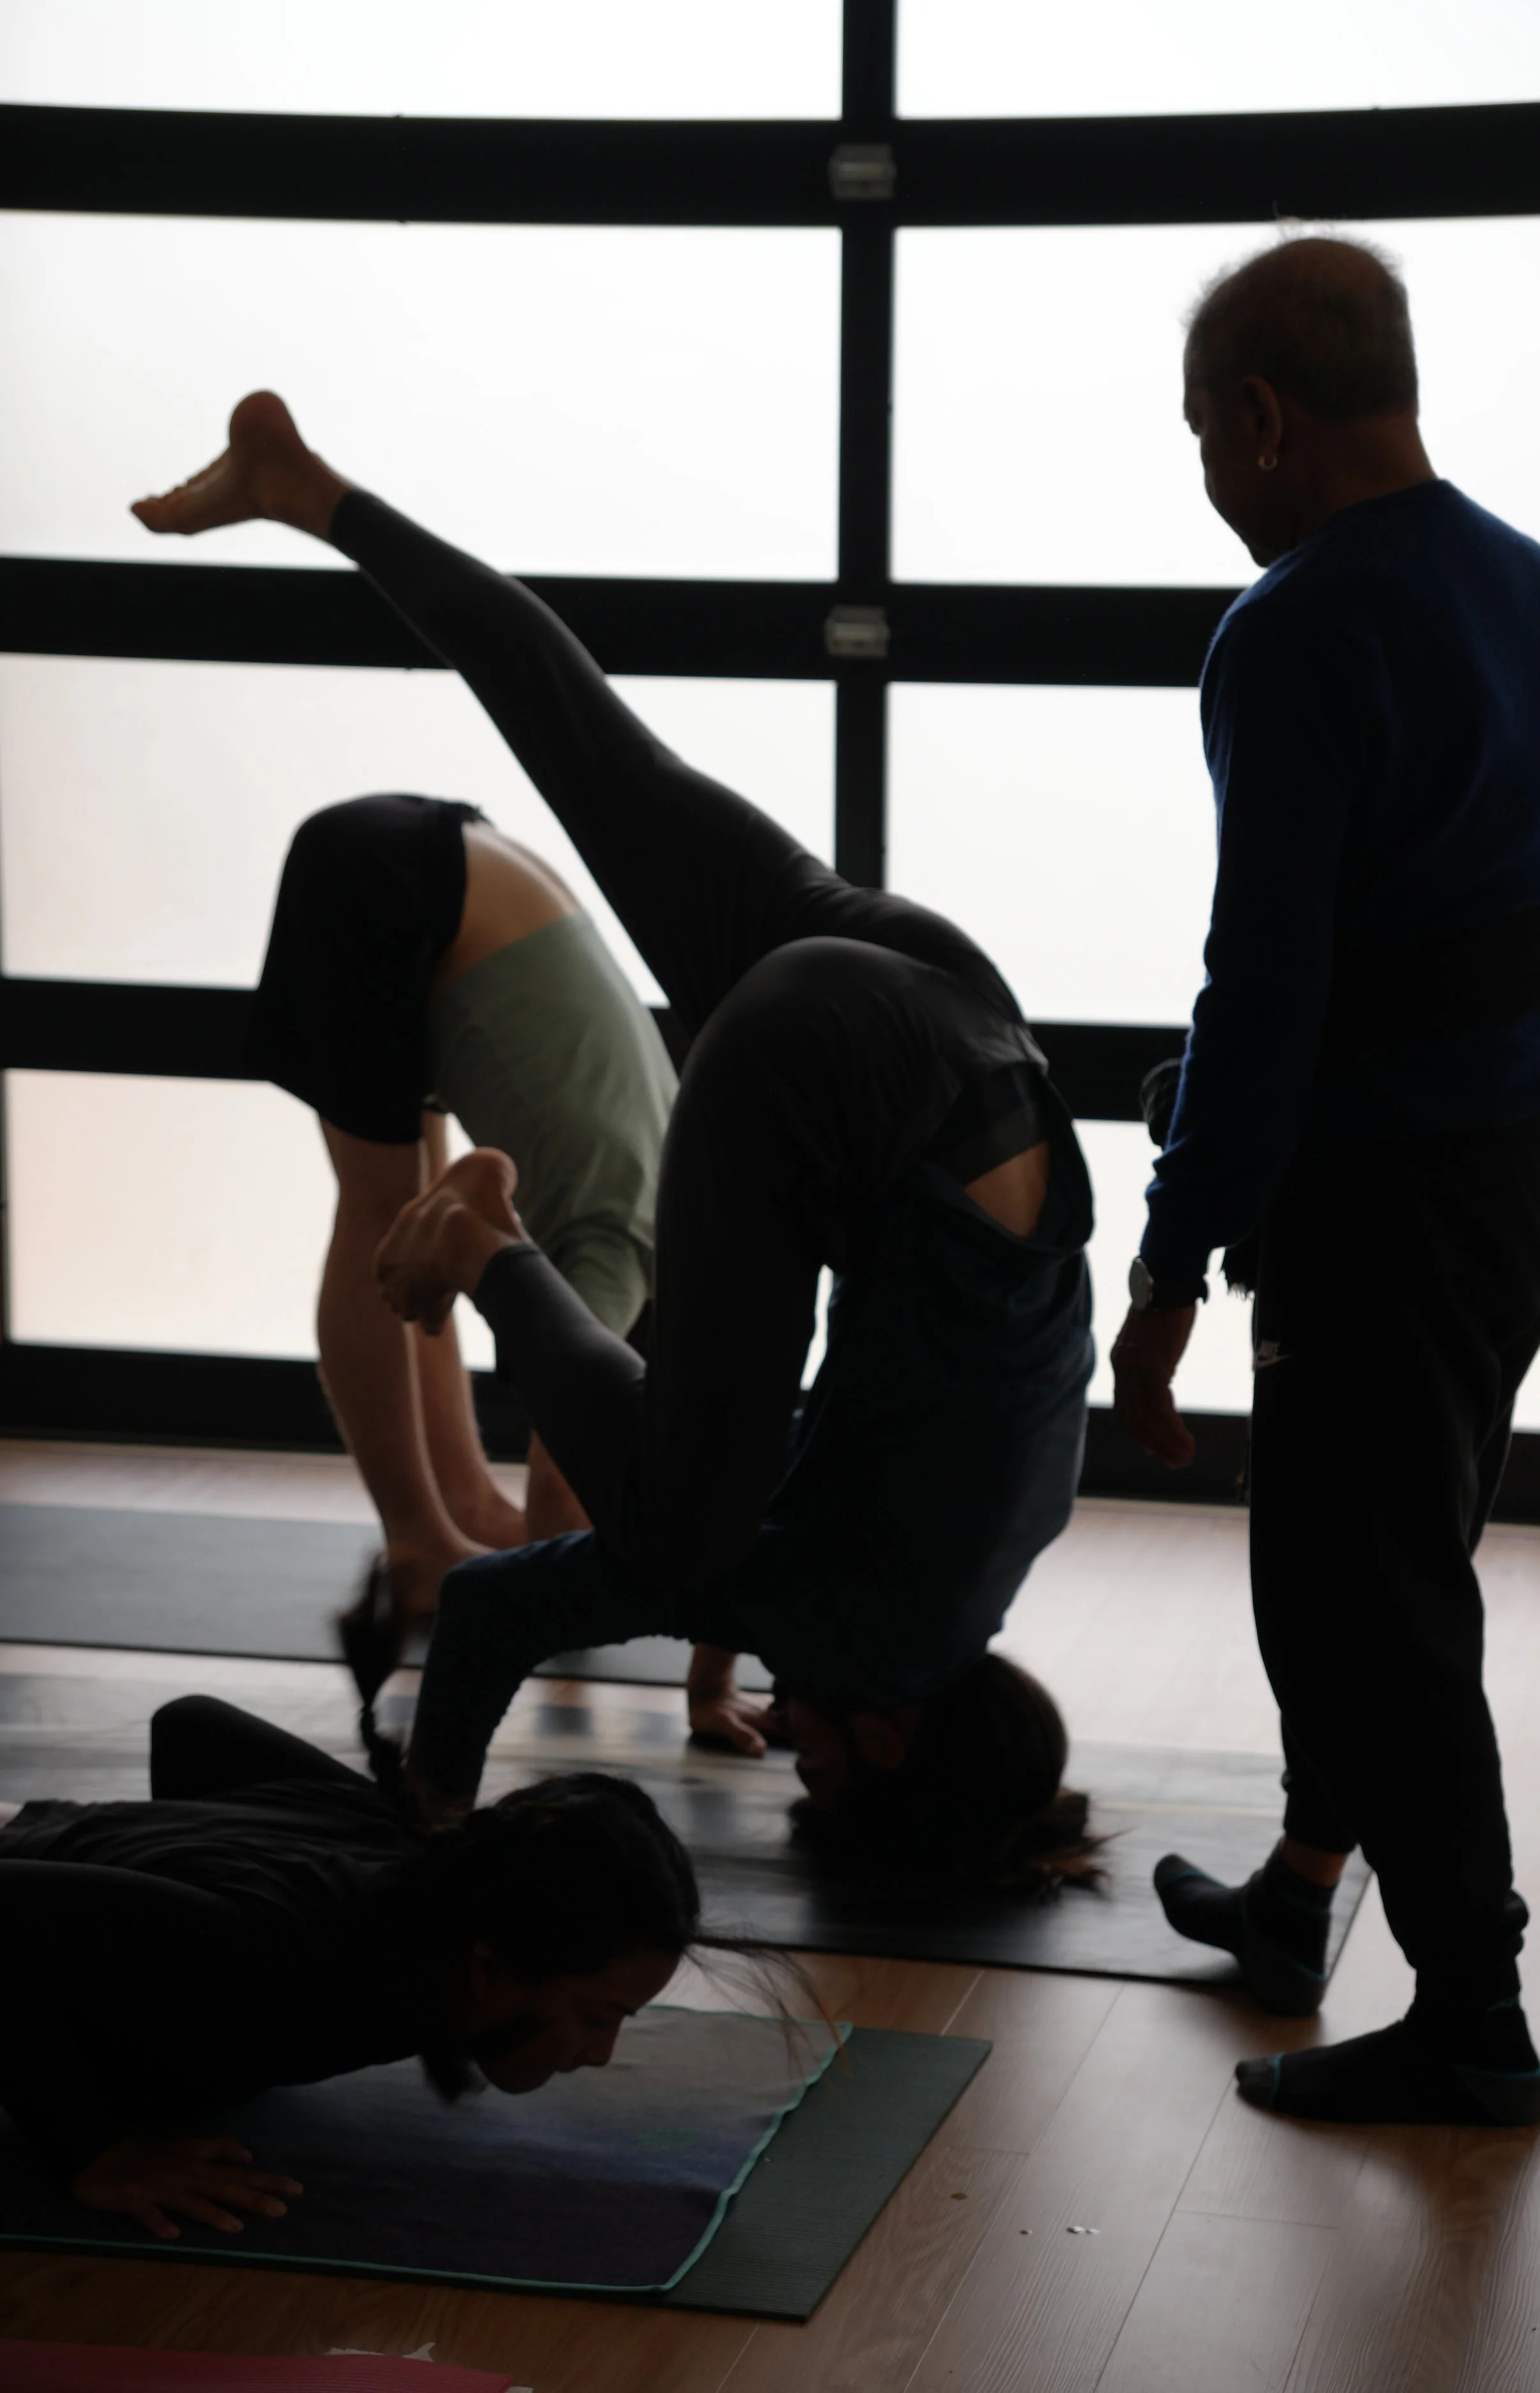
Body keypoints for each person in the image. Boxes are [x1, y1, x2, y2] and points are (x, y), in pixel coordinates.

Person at [134, 392, 1099, 1892]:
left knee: (581, 732)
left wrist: (706, 1608)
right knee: (670, 1521)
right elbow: (507, 1605)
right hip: (814, 1067)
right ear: (898, 1741)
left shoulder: (978, 1558)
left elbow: (800, 1453)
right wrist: (437, 1821)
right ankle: (489, 1244)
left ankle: (312, 488)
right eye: (825, 1766)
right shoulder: (858, 1625)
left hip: (963, 1023)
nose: (794, 1746)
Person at [1109, 236, 1540, 2124]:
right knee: (1383, 1560)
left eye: (1197, 439)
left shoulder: (1298, 623)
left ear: (1257, 416)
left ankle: (1469, 2014)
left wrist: (1166, 1259)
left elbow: (1267, 984)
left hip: (1379, 1198)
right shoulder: (1525, 588)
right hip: (1517, 1177)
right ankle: (1304, 1888)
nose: (1205, 480)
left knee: (1356, 1597)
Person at [246, 773, 676, 1680]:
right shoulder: (628, 1248)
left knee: (429, 1223)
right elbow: (565, 1479)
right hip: (408, 887)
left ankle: (461, 1508)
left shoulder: (678, 1187)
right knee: (382, 1218)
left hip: (447, 868)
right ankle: (417, 1545)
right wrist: (578, 1607)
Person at [0, 1695, 700, 2240]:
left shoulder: (425, 1858)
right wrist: (91, 2150)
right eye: (595, 2017)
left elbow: (191, 1725)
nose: (603, 2054)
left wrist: (172, 1881)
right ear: (490, 1966)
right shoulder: (266, 1957)